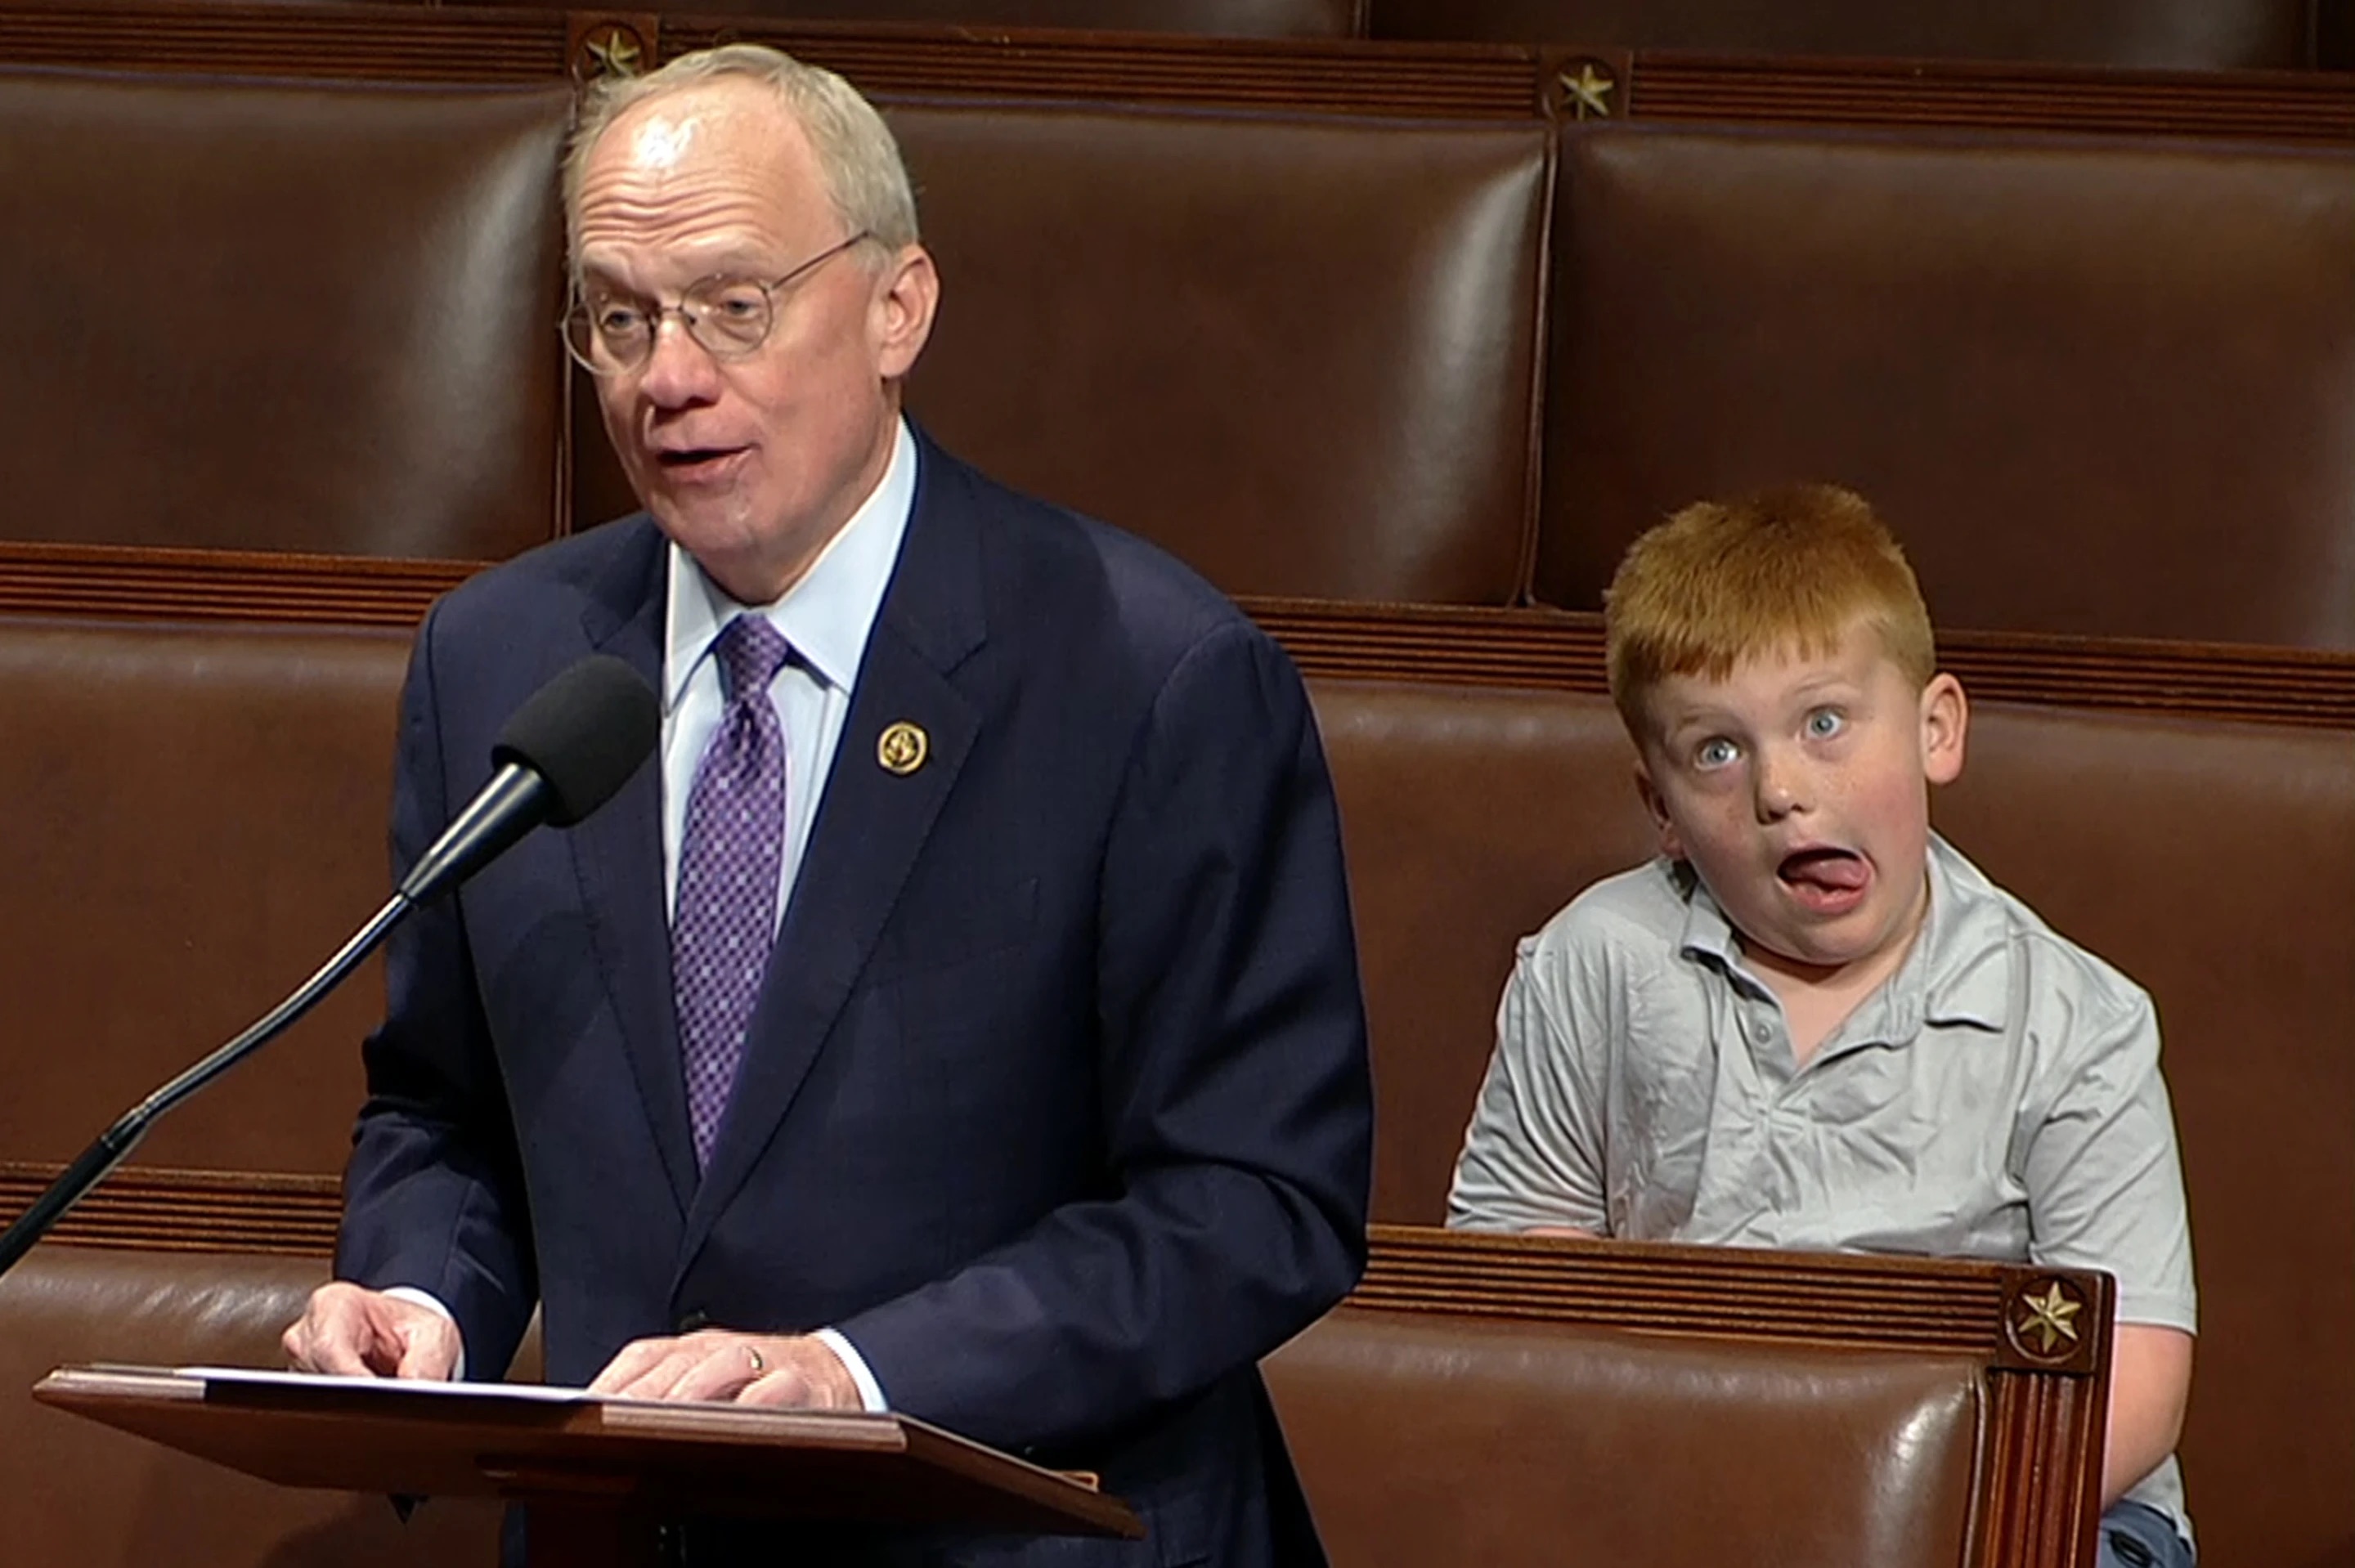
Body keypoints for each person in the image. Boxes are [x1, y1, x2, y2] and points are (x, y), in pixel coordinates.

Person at [281, 43, 1372, 1566]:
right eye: (619, 316)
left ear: (897, 306)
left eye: (735, 303)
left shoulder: (1149, 675)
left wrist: (859, 1378)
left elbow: (1258, 1199)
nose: (668, 376)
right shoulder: (501, 663)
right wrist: (418, 1299)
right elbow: (447, 1107)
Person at [1447, 486, 2197, 1568]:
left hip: (2019, 1502)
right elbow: (1516, 1273)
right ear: (1658, 808)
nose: (1783, 790)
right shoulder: (1594, 960)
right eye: (1716, 752)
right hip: (1669, 1480)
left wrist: (1893, 1517)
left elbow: (2136, 1372)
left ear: (1937, 729)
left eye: (1826, 723)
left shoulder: (2076, 1022)